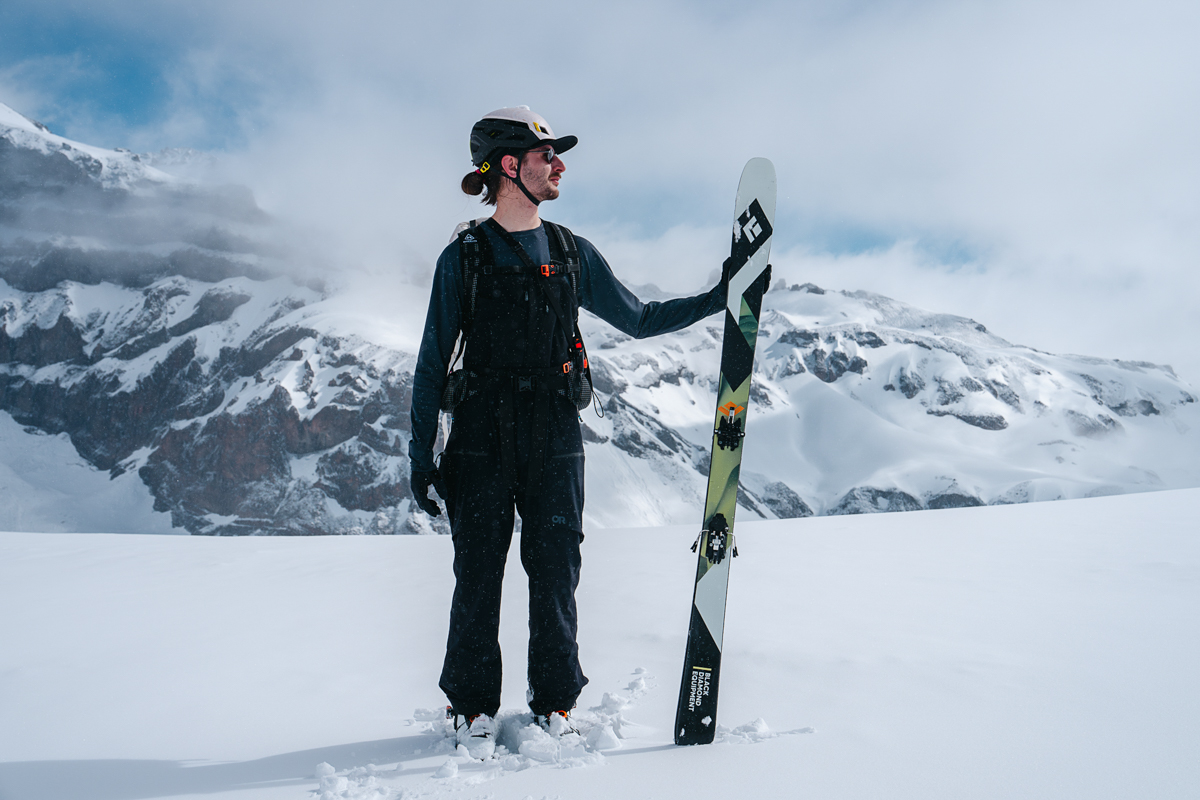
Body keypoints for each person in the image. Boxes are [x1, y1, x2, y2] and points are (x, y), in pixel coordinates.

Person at [409, 106, 730, 757]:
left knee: (557, 570)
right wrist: (422, 456)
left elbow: (639, 318)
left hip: (554, 431)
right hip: (478, 435)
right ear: (508, 165)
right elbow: (432, 359)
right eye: (546, 154)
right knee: (477, 573)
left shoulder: (571, 251)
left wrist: (724, 293)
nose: (559, 165)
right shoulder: (463, 257)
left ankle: (555, 703)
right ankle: (471, 708)